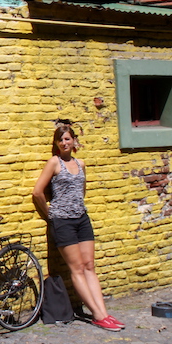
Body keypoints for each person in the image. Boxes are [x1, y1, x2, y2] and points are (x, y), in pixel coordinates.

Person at [32, 123, 125, 332]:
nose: (64, 143)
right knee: (77, 268)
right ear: (56, 144)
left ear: (74, 141)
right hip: (62, 221)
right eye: (60, 140)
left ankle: (104, 313)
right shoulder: (54, 163)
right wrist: (51, 216)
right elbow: (37, 192)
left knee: (89, 266)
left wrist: (76, 207)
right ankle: (98, 315)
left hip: (82, 219)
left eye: (67, 139)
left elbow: (82, 190)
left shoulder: (81, 164)